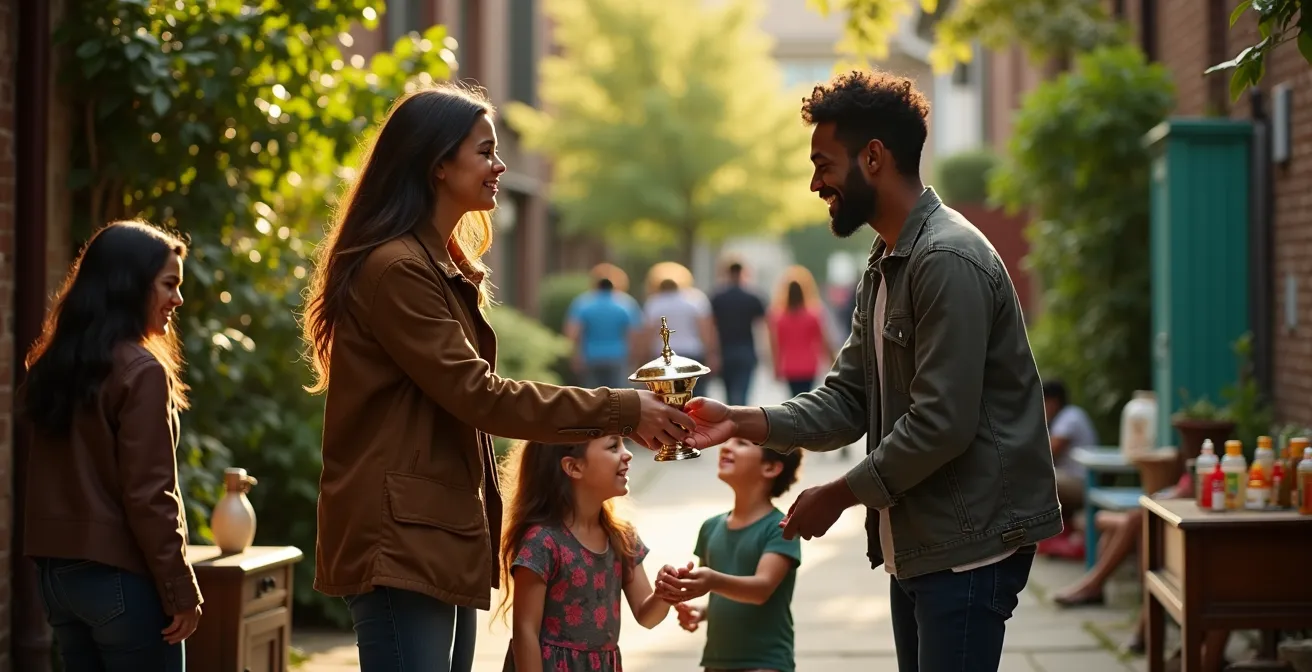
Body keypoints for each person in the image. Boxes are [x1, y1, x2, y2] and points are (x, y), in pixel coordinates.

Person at [300, 83, 693, 672]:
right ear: (438, 166)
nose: (499, 165)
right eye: (484, 152)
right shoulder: (398, 269)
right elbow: (480, 395)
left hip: (433, 532)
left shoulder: (433, 263)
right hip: (402, 538)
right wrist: (624, 409)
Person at [683, 69, 1061, 670]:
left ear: (875, 157)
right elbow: (847, 399)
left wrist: (838, 494)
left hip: (967, 546)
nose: (815, 183)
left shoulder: (946, 259)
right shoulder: (889, 259)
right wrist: (741, 420)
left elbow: (941, 423)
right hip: (920, 541)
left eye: (824, 164)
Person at [20, 220, 202, 671]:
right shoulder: (141, 371)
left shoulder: (56, 363)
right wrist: (182, 591)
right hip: (121, 579)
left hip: (58, 580)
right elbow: (150, 495)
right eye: (168, 285)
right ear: (129, 285)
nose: (177, 300)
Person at [496, 436, 677, 671]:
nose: (628, 454)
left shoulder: (621, 536)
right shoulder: (543, 542)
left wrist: (665, 594)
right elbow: (525, 632)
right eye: (613, 446)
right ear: (574, 467)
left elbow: (647, 616)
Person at [662, 437, 803, 672]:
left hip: (765, 662)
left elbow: (760, 589)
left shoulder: (780, 528)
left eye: (742, 443)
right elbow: (722, 593)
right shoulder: (710, 527)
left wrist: (712, 580)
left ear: (770, 467)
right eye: (729, 441)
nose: (726, 446)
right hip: (716, 662)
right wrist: (703, 611)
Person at [1038, 379, 1099, 559]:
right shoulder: (1066, 416)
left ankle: (1050, 534)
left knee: (1035, 481)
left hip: (1082, 482)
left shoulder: (1070, 417)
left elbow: (1048, 452)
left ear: (1054, 401)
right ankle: (1059, 535)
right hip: (1076, 480)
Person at [564, 271, 643, 389]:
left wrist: (574, 355)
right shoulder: (625, 303)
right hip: (617, 356)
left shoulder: (583, 302)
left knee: (592, 395)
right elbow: (634, 333)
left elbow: (573, 331)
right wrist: (635, 356)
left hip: (591, 356)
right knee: (618, 395)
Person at [767, 266, 834, 398]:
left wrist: (775, 367)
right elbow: (824, 341)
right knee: (806, 397)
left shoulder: (779, 317)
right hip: (809, 365)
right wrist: (832, 362)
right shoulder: (814, 314)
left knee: (793, 398)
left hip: (789, 366)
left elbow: (776, 344)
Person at [640, 262, 719, 372]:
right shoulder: (695, 299)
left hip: (662, 355)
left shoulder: (654, 302)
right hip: (692, 352)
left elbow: (648, 334)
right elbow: (705, 330)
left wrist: (642, 358)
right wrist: (711, 354)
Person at [709, 259, 767, 406]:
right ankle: (739, 422)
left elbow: (711, 327)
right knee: (741, 392)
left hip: (725, 350)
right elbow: (762, 326)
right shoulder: (753, 297)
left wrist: (712, 353)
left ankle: (732, 419)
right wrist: (765, 352)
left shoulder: (717, 297)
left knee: (729, 394)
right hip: (745, 350)